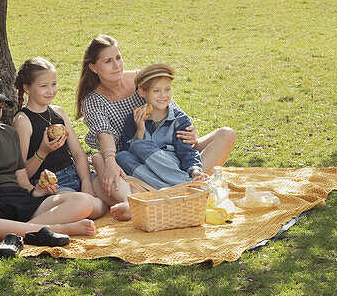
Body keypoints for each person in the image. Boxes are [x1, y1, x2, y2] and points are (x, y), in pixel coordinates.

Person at [75, 35, 236, 206]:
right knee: (101, 159)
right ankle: (185, 189)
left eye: (118, 58)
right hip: (137, 161)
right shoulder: (93, 100)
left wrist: (191, 133)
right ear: (93, 67)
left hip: (173, 148)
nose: (117, 65)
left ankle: (185, 184)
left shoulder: (142, 79)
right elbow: (104, 133)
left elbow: (174, 112)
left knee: (227, 134)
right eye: (108, 61)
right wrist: (110, 159)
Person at [0, 72, 96, 254]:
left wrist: (36, 191)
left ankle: (5, 236)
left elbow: (22, 180)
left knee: (83, 201)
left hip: (19, 199)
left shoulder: (10, 134)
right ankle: (60, 229)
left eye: (0, 107)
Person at [12, 57, 108, 219]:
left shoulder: (59, 112)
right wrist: (42, 152)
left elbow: (78, 154)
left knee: (108, 196)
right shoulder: (23, 121)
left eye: (54, 84)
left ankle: (75, 210)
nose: (51, 90)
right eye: (44, 86)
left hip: (76, 174)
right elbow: (22, 173)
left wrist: (86, 182)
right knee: (95, 207)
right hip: (52, 184)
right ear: (27, 88)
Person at [115, 63, 208, 188]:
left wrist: (195, 171)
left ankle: (183, 183)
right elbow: (130, 153)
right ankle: (181, 187)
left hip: (170, 164)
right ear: (142, 92)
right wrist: (140, 129)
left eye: (167, 89)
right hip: (145, 169)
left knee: (138, 146)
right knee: (122, 156)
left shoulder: (179, 120)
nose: (163, 95)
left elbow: (187, 152)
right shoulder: (132, 119)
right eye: (156, 91)